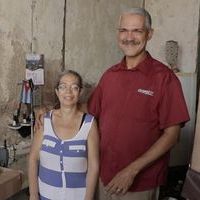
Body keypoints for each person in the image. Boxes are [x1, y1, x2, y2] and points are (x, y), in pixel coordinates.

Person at [88, 7, 190, 200]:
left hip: (139, 183)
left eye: (137, 30)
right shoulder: (110, 75)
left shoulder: (164, 79)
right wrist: (53, 111)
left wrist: (131, 171)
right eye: (124, 30)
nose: (129, 37)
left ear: (149, 34)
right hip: (103, 175)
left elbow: (172, 135)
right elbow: (90, 110)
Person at [28, 70, 99, 200]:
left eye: (74, 87)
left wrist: (88, 198)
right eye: (63, 87)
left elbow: (94, 166)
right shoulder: (44, 121)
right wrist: (33, 195)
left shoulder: (89, 123)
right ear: (57, 91)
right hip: (45, 196)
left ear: (80, 92)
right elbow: (33, 159)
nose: (68, 92)